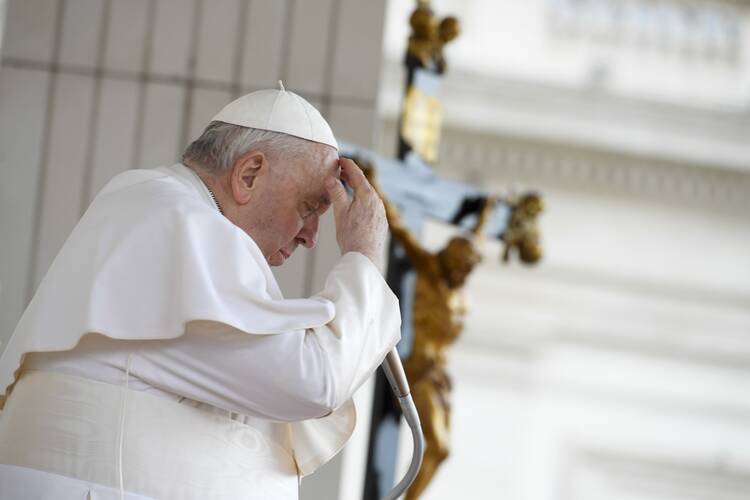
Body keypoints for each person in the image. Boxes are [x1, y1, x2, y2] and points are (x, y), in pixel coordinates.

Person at [0, 84, 401, 500]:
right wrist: (364, 256)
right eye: (309, 207)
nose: (312, 237)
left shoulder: (173, 211)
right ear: (249, 174)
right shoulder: (175, 216)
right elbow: (313, 382)